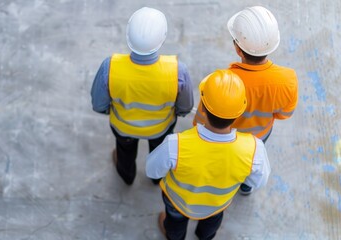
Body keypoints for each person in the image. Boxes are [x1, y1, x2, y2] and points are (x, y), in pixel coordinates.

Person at [146, 70, 270, 240]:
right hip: (216, 205)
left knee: (175, 225)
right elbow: (257, 181)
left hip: (178, 202)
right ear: (239, 113)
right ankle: (204, 236)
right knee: (211, 225)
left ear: (202, 107)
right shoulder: (254, 149)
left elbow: (152, 171)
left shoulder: (175, 144)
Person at [192, 6, 298, 195]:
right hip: (260, 135)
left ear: (237, 48)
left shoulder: (219, 82)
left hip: (226, 139)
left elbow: (201, 119)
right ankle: (246, 186)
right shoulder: (288, 79)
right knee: (249, 162)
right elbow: (284, 114)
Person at [90, 7, 193, 185]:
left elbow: (98, 104)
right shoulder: (177, 71)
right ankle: (156, 178)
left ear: (128, 35)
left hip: (123, 127)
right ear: (163, 38)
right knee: (159, 153)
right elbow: (185, 107)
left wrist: (110, 111)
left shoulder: (110, 67)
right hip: (160, 128)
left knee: (125, 152)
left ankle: (126, 176)